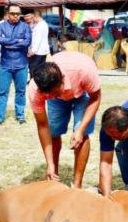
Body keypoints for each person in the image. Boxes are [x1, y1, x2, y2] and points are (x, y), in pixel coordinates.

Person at [28, 52, 101, 188]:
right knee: (53, 132)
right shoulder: (35, 89)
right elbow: (43, 126)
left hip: (82, 90)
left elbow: (96, 98)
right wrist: (49, 164)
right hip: (59, 97)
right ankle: (53, 175)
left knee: (82, 135)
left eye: (54, 93)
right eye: (47, 95)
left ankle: (77, 185)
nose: (50, 96)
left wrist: (80, 129)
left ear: (62, 79)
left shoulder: (84, 71)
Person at [0, 4, 31, 128]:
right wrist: (18, 41)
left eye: (18, 13)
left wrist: (9, 42)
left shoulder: (25, 27)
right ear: (8, 14)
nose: (16, 16)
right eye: (13, 13)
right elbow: (0, 40)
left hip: (21, 64)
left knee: (21, 92)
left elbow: (27, 42)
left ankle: (20, 115)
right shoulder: (1, 26)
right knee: (2, 92)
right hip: (5, 65)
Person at [27, 10, 49, 78]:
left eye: (33, 17)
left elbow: (37, 39)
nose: (32, 19)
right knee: (40, 69)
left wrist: (33, 51)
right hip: (42, 51)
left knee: (33, 70)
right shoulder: (44, 24)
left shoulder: (40, 26)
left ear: (36, 16)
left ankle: (34, 83)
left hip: (38, 52)